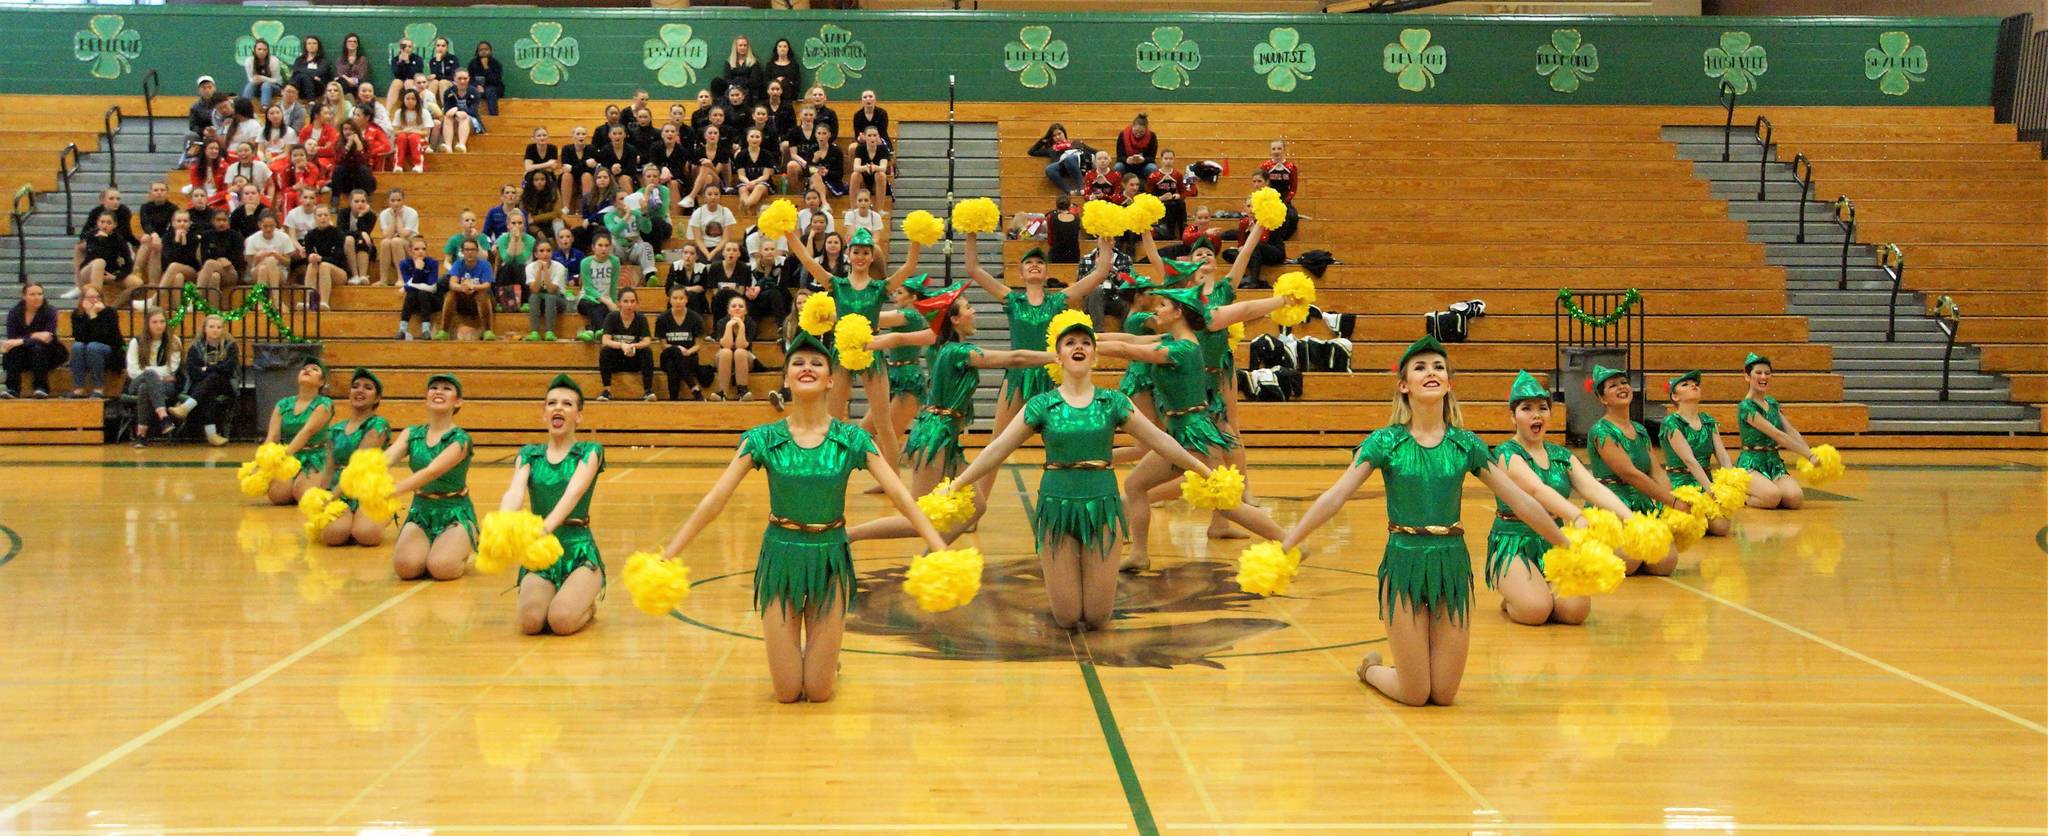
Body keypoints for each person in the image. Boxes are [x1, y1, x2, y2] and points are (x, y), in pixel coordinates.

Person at [655, 332, 949, 703]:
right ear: (786, 378)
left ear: (830, 380)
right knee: (788, 692)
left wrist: (938, 548)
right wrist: (669, 554)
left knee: (820, 692)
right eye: (797, 362)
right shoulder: (761, 439)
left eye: (816, 363)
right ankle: (817, 660)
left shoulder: (852, 440)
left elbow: (903, 498)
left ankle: (829, 663)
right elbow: (715, 501)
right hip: (781, 558)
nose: (806, 367)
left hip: (830, 559)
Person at [1282, 336, 1566, 707]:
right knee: (1416, 694)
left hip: (1451, 563)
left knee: (1444, 695)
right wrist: (1286, 544)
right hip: (1405, 564)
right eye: (1420, 367)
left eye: (1438, 367)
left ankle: (1402, 668)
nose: (1431, 373)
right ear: (1404, 386)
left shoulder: (1466, 444)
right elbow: (1335, 497)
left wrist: (1566, 543)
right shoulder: (1386, 442)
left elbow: (1522, 502)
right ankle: (1370, 669)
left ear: (1449, 383)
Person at [937, 313, 1221, 629]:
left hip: (1101, 506)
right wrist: (959, 483)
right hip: (1056, 508)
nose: (1079, 347)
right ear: (1058, 356)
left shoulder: (1113, 401)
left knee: (1098, 617)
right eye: (1070, 342)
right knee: (1068, 616)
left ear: (1095, 356)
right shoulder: (1041, 404)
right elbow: (998, 449)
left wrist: (1202, 471)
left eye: (1086, 342)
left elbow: (1161, 440)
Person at [1110, 280, 1295, 570]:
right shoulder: (1174, 342)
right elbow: (1130, 341)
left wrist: (1076, 347)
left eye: (1163, 305)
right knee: (1137, 485)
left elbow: (1126, 350)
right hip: (1182, 434)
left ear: (1178, 313)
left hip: (1192, 437)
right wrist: (1083, 339)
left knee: (1228, 505)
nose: (1156, 309)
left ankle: (1290, 541)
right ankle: (1139, 554)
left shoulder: (1181, 350)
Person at [844, 282, 1055, 535]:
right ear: (954, 319)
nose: (974, 311)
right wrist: (1056, 356)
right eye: (968, 307)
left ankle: (933, 558)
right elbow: (1015, 359)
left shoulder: (946, 346)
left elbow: (899, 337)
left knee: (975, 506)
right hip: (934, 436)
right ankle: (851, 535)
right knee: (921, 519)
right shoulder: (958, 352)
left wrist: (869, 343)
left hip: (947, 436)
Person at [962, 231, 1114, 482]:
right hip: (1017, 379)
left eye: (1040, 263)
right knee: (996, 446)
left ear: (1045, 274)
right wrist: (970, 234)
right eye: (1029, 263)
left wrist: (1104, 246)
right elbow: (973, 269)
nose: (1035, 265)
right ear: (1020, 273)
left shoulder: (1057, 302)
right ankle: (976, 508)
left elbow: (1099, 274)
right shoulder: (1013, 300)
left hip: (1051, 378)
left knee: (1062, 443)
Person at [1488, 371, 1636, 627]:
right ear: (1512, 416)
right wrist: (1575, 515)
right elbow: (1537, 490)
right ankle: (1513, 596)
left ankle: (1535, 588)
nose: (1536, 414)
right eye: (1526, 409)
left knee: (1575, 612)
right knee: (1535, 611)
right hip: (1514, 544)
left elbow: (1593, 488)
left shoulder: (1560, 454)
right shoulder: (1506, 454)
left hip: (1556, 542)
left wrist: (1631, 519)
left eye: (1542, 408)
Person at [785, 225, 923, 459]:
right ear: (848, 255)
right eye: (856, 252)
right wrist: (788, 231)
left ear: (872, 256)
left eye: (865, 253)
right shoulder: (837, 285)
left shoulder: (880, 288)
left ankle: (893, 482)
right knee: (832, 418)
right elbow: (808, 261)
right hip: (840, 355)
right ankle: (828, 471)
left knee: (884, 424)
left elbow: (909, 267)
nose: (860, 257)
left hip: (872, 355)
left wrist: (918, 236)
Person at [496, 374, 606, 635]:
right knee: (530, 623)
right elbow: (514, 492)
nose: (558, 408)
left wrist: (542, 530)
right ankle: (558, 594)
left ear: (579, 416)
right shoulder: (529, 454)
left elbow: (573, 493)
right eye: (552, 403)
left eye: (567, 404)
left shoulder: (590, 451)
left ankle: (586, 604)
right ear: (543, 413)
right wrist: (502, 524)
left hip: (578, 552)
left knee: (561, 621)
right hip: (541, 552)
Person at [1586, 365, 1684, 575]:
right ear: (1603, 399)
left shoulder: (1639, 430)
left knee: (1665, 563)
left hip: (1642, 503)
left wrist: (1671, 503)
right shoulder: (1601, 431)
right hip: (1612, 505)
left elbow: (1655, 471)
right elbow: (1630, 474)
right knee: (1627, 562)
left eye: (1624, 383)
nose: (1622, 388)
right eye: (1613, 386)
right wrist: (1673, 502)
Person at [384, 374, 474, 582]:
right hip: (421, 510)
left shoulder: (460, 439)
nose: (438, 391)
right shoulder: (411, 434)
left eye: (446, 388)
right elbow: (385, 459)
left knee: (442, 568)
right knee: (405, 568)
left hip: (454, 512)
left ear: (458, 401)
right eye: (434, 387)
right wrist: (363, 474)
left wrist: (390, 491)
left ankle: (462, 542)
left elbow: (431, 471)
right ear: (426, 397)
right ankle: (432, 547)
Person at [314, 368, 393, 547]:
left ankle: (379, 516)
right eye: (355, 386)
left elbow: (358, 467)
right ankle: (350, 520)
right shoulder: (336, 429)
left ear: (377, 398)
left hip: (368, 490)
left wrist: (333, 496)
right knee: (334, 536)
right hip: (338, 489)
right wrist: (323, 497)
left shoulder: (378, 425)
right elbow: (329, 468)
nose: (360, 390)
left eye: (368, 387)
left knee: (366, 535)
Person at [1737, 353, 1822, 511]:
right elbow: (1777, 435)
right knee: (1771, 498)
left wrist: (1812, 452)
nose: (1764, 377)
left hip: (1774, 463)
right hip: (1751, 465)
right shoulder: (1746, 407)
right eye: (1758, 373)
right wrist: (1808, 455)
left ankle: (1767, 490)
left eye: (1767, 373)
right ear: (1747, 376)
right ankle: (1741, 495)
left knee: (1795, 499)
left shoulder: (1772, 403)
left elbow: (1790, 431)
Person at [1662, 370, 1735, 537]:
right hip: (1682, 484)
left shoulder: (1708, 421)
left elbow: (1722, 455)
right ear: (1675, 397)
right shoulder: (1671, 423)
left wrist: (1730, 485)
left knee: (1721, 527)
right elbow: (1690, 460)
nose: (1693, 385)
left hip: (1705, 479)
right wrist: (1710, 491)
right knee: (1687, 528)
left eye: (1695, 384)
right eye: (1685, 385)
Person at [263, 358, 334, 505]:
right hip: (290, 455)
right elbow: (273, 436)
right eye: (304, 368)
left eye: (314, 369)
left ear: (321, 382)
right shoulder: (283, 404)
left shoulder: (324, 404)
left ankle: (327, 480)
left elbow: (306, 432)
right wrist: (263, 462)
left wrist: (283, 456)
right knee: (277, 496)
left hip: (316, 456)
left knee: (303, 495)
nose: (307, 370)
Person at [123, 308, 183, 447]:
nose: (159, 325)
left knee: (146, 387)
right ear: (147, 324)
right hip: (136, 382)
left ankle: (141, 435)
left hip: (164, 386)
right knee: (148, 377)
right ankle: (163, 416)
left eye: (162, 322)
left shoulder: (174, 341)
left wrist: (150, 374)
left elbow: (172, 368)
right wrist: (155, 375)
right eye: (154, 322)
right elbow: (133, 371)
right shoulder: (136, 342)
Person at [180, 314, 237, 446]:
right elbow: (193, 372)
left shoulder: (230, 346)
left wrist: (207, 368)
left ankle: (186, 406)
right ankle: (212, 435)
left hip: (225, 385)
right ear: (204, 328)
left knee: (214, 377)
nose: (215, 330)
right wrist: (216, 368)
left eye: (219, 327)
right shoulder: (196, 347)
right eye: (211, 326)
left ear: (223, 329)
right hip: (201, 385)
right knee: (208, 390)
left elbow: (228, 369)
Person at [1, 284, 64, 399]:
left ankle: (41, 388)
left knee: (38, 349)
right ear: (24, 296)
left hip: (50, 352)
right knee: (14, 351)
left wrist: (22, 340)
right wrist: (34, 336)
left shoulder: (50, 311)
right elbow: (12, 340)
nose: (37, 297)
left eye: (40, 294)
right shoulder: (14, 313)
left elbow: (47, 338)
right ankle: (12, 389)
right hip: (24, 353)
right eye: (32, 294)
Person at [597, 287, 656, 401]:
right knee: (605, 351)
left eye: (632, 301)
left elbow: (647, 340)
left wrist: (634, 346)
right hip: (617, 360)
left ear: (637, 303)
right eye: (626, 301)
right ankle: (607, 391)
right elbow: (605, 340)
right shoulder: (612, 317)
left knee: (647, 352)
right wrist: (622, 345)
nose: (629, 305)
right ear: (619, 303)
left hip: (634, 360)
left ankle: (648, 391)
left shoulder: (641, 318)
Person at [64, 287, 121, 399]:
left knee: (93, 346)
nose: (94, 300)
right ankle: (79, 388)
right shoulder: (77, 314)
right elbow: (79, 337)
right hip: (86, 350)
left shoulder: (110, 312)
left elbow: (103, 337)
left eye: (97, 297)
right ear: (82, 299)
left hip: (110, 351)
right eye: (90, 297)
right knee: (77, 346)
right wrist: (90, 315)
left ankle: (98, 388)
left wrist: (94, 316)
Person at [657, 285, 711, 400]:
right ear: (670, 300)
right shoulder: (662, 318)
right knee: (673, 355)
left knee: (673, 364)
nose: (678, 301)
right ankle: (694, 388)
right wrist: (678, 349)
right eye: (675, 298)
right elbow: (664, 345)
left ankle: (674, 399)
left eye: (681, 298)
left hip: (689, 357)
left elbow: (699, 344)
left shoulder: (695, 318)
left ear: (686, 299)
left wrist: (688, 351)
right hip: (668, 355)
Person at [75, 211, 139, 307]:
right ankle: (97, 300)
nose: (105, 225)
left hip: (109, 273)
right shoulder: (91, 236)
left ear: (114, 225)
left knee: (137, 283)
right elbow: (97, 255)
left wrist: (116, 276)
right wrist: (103, 240)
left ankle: (113, 307)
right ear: (97, 223)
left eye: (109, 223)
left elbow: (129, 263)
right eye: (102, 222)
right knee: (100, 262)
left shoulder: (119, 239)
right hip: (90, 270)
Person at [439, 238, 495, 340]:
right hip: (463, 299)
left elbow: (487, 284)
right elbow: (452, 283)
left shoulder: (485, 265)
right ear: (462, 252)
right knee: (450, 294)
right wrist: (462, 288)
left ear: (477, 252)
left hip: (480, 298)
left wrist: (474, 287)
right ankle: (444, 331)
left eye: (472, 250)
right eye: (467, 250)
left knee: (483, 295)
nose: (470, 253)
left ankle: (488, 331)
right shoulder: (458, 264)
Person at [298, 204, 348, 310]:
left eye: (325, 215)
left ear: (330, 217)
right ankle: (309, 301)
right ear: (314, 218)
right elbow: (309, 256)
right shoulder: (310, 235)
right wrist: (311, 257)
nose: (323, 217)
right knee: (312, 265)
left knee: (324, 265)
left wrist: (321, 259)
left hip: (339, 272)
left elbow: (338, 259)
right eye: (319, 215)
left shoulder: (338, 233)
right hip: (319, 271)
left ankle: (324, 302)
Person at [575, 234, 624, 338]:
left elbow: (613, 285)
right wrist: (608, 302)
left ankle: (591, 330)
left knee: (603, 308)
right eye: (600, 245)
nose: (604, 248)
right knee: (596, 307)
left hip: (605, 301)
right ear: (593, 247)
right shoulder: (585, 262)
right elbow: (588, 288)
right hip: (586, 299)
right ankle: (603, 332)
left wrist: (614, 303)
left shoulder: (614, 261)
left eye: (607, 245)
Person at [709, 295, 756, 402]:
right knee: (725, 352)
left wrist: (741, 325)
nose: (737, 308)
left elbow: (741, 345)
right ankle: (722, 392)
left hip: (745, 359)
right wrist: (729, 326)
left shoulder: (750, 323)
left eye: (741, 306)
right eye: (733, 306)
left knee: (739, 352)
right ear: (728, 311)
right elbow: (726, 345)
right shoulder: (722, 322)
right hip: (723, 359)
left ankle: (742, 391)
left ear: (746, 311)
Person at [525, 239, 570, 341]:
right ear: (536, 254)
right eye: (541, 251)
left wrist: (545, 270)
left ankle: (550, 332)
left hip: (558, 300)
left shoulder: (559, 267)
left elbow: (551, 290)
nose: (545, 254)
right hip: (540, 299)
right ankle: (534, 332)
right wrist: (539, 271)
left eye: (548, 250)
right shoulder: (530, 267)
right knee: (533, 297)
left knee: (550, 297)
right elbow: (534, 290)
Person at [376, 189, 422, 286]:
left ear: (403, 200)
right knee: (385, 242)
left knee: (396, 241)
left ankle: (402, 278)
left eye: (399, 200)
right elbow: (387, 235)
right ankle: (383, 280)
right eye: (392, 200)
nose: (396, 203)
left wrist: (398, 217)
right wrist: (394, 218)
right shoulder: (384, 214)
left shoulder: (412, 212)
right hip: (393, 244)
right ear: (388, 201)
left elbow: (403, 234)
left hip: (410, 245)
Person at [492, 210, 536, 310]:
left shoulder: (530, 240)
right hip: (506, 271)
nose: (517, 226)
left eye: (520, 223)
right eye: (513, 223)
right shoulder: (502, 239)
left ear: (524, 225)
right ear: (508, 225)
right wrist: (513, 240)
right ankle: (501, 301)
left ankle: (525, 301)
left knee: (519, 267)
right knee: (508, 267)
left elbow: (521, 259)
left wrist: (519, 239)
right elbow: (507, 259)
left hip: (523, 270)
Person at [243, 212, 298, 290]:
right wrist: (258, 257)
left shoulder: (284, 237)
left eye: (271, 226)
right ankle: (275, 298)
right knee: (264, 266)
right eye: (265, 226)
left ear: (276, 225)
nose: (268, 229)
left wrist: (278, 256)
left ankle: (260, 301)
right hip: (257, 270)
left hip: (279, 271)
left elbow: (287, 262)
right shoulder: (252, 239)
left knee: (268, 265)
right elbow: (251, 264)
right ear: (259, 225)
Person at [390, 88, 433, 173]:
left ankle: (418, 165)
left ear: (417, 100)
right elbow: (395, 132)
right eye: (407, 99)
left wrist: (412, 132)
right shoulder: (399, 112)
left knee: (413, 137)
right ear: (403, 100)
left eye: (413, 99)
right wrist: (405, 132)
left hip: (420, 141)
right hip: (403, 141)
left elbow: (426, 133)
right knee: (401, 137)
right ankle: (398, 165)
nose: (410, 101)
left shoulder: (424, 112)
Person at [439, 69, 483, 152]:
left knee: (463, 115)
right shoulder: (448, 92)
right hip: (454, 120)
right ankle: (448, 145)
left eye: (465, 78)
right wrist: (454, 112)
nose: (462, 81)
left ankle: (462, 144)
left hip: (470, 121)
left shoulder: (474, 92)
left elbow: (473, 111)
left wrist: (458, 109)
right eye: (459, 78)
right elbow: (447, 110)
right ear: (454, 79)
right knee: (448, 116)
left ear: (469, 78)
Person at [849, 127, 892, 209]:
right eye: (869, 135)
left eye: (874, 135)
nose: (872, 138)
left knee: (881, 175)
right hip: (864, 180)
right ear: (864, 137)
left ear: (878, 136)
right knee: (855, 175)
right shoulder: (860, 148)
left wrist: (875, 167)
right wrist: (866, 168)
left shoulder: (882, 149)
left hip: (877, 182)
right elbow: (855, 167)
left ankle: (879, 209)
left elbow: (883, 168)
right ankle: (853, 208)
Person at [715, 35, 764, 102]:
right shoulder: (729, 62)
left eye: (745, 45)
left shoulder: (754, 62)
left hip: (748, 91)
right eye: (740, 45)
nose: (743, 47)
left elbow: (754, 81)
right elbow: (727, 79)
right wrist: (737, 85)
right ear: (736, 47)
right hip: (732, 90)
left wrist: (739, 83)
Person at [289, 35, 335, 102]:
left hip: (318, 87)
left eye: (314, 43)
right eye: (309, 43)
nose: (311, 45)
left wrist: (300, 70)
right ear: (305, 46)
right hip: (300, 87)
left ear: (318, 46)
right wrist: (312, 75)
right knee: (300, 76)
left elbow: (318, 72)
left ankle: (311, 101)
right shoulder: (299, 60)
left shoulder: (324, 60)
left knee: (302, 75)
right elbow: (294, 72)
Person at [1115, 113, 1160, 177]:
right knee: (1118, 166)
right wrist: (1127, 160)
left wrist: (1143, 160)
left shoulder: (1152, 136)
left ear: (1146, 129)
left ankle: (1148, 186)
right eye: (1136, 131)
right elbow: (1119, 156)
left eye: (1141, 132)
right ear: (1132, 126)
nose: (1138, 134)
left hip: (1143, 166)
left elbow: (1152, 158)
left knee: (1152, 168)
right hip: (1127, 165)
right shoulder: (1123, 134)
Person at [468, 41, 505, 116]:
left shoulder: (496, 63)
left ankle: (494, 116)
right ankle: (470, 115)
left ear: (490, 51)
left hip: (493, 89)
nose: (484, 52)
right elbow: (469, 78)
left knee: (490, 90)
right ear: (477, 52)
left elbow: (496, 81)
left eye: (486, 49)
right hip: (477, 89)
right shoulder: (473, 63)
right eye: (481, 50)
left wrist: (486, 67)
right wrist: (476, 86)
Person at [1259, 139, 1300, 203]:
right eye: (1273, 149)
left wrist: (1286, 200)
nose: (1276, 151)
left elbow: (1293, 188)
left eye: (1279, 149)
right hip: (1268, 201)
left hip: (1285, 201)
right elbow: (1261, 185)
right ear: (1270, 151)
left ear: (1284, 150)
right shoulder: (1265, 167)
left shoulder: (1291, 167)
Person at [386, 35, 424, 102]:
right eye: (404, 46)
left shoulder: (418, 59)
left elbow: (416, 75)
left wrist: (407, 62)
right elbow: (396, 74)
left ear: (412, 48)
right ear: (400, 48)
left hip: (413, 81)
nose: (407, 48)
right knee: (396, 82)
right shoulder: (395, 59)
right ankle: (387, 110)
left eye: (409, 46)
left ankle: (414, 106)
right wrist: (400, 62)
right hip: (401, 80)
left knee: (408, 82)